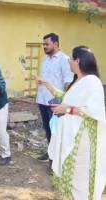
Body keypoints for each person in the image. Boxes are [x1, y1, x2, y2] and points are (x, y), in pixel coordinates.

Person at [37, 46, 106, 200]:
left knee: (81, 175)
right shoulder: (78, 81)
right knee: (73, 173)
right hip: (72, 136)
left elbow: (94, 111)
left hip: (83, 138)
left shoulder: (92, 82)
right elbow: (65, 97)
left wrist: (67, 110)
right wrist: (46, 83)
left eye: (70, 59)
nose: (68, 61)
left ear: (78, 61)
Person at [36, 33, 74, 161]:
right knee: (47, 129)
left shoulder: (64, 60)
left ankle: (56, 160)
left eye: (47, 44)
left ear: (56, 44)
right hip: (42, 100)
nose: (44, 47)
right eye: (43, 44)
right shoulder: (45, 60)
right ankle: (50, 152)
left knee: (56, 132)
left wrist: (64, 102)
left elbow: (68, 82)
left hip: (55, 102)